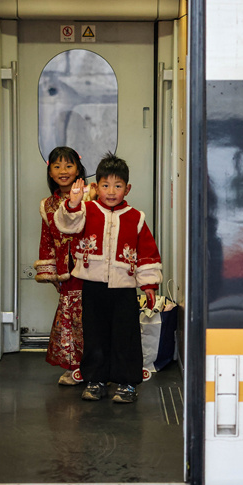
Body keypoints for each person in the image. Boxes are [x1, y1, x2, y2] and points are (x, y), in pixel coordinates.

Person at [54, 152, 162, 403]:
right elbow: (66, 225)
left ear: (127, 188)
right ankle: (95, 380)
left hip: (124, 288)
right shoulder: (85, 209)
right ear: (96, 187)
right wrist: (72, 202)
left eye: (118, 185)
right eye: (105, 185)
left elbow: (147, 252)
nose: (111, 191)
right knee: (95, 334)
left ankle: (127, 383)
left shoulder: (136, 217)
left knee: (126, 336)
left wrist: (149, 284)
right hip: (93, 285)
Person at [34, 146, 95, 386]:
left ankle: (98, 366)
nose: (63, 171)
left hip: (92, 265)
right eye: (57, 166)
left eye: (68, 166)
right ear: (49, 172)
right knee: (69, 316)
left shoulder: (92, 195)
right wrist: (50, 271)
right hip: (65, 269)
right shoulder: (48, 204)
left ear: (78, 169)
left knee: (94, 315)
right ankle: (74, 367)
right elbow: (47, 238)